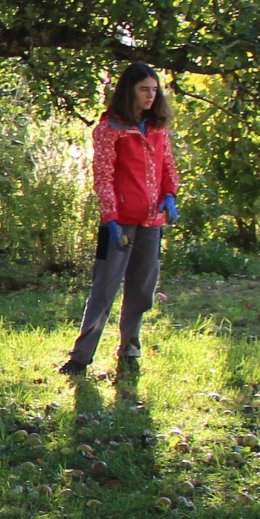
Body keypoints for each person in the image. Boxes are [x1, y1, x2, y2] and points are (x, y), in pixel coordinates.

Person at [61, 63, 178, 376]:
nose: (150, 96)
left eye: (154, 90)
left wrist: (170, 195)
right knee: (104, 288)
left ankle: (130, 350)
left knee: (142, 289)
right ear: (129, 91)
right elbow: (103, 175)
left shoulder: (158, 127)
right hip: (117, 224)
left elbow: (168, 166)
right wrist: (110, 217)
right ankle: (81, 357)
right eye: (144, 89)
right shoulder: (109, 128)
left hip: (152, 222)